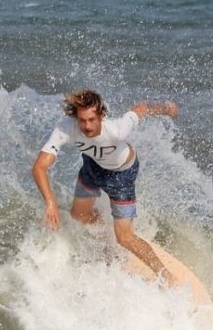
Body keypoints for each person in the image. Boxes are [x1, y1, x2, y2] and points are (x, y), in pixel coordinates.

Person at [32, 88, 180, 285]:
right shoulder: (66, 127)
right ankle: (106, 236)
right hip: (93, 167)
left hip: (122, 175)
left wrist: (165, 109)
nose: (86, 126)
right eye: (82, 120)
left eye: (91, 120)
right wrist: (50, 203)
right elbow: (39, 167)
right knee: (79, 215)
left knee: (125, 238)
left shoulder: (118, 129)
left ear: (101, 115)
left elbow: (140, 108)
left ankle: (167, 277)